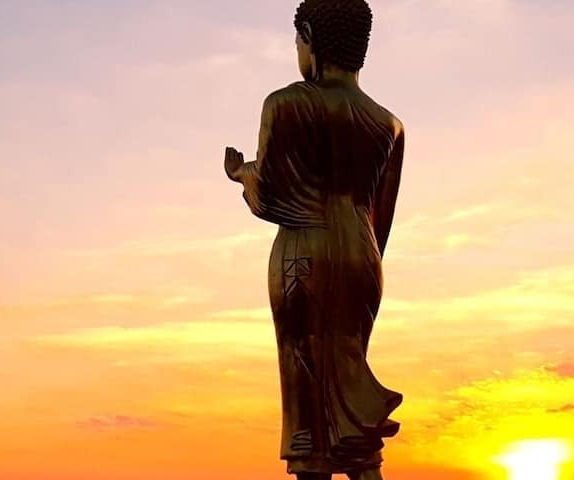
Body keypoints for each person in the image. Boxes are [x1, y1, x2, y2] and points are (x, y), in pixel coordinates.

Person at [221, 1, 404, 478]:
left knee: (308, 391)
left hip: (303, 254)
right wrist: (362, 262)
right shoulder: (389, 124)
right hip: (362, 260)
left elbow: (271, 198)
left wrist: (242, 174)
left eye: (298, 40)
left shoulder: (288, 104)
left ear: (309, 36)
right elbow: (380, 215)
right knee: (348, 378)